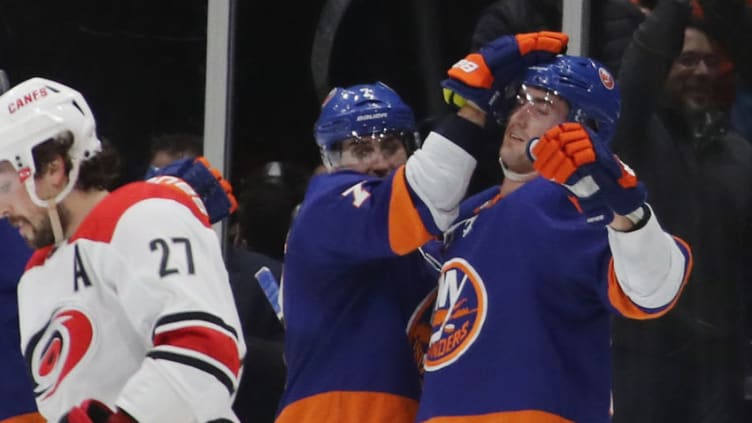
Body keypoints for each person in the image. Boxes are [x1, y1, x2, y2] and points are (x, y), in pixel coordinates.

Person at [276, 32, 573, 422]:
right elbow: (426, 195)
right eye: (360, 150)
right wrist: (471, 109)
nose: (379, 162)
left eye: (390, 146)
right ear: (330, 159)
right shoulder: (327, 207)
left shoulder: (428, 237)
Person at [412, 33, 693, 421]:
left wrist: (631, 215)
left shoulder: (577, 204)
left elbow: (653, 290)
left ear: (584, 127)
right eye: (520, 101)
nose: (520, 116)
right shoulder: (464, 212)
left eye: (542, 105)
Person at [0, 77, 245, 422]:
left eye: (4, 186)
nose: (1, 208)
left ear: (54, 168)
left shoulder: (142, 214)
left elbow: (205, 352)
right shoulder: (36, 278)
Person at [608, 1, 752, 421]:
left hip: (720, 367)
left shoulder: (741, 155)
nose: (702, 71)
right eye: (687, 60)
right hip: (642, 358)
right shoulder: (635, 136)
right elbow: (640, 66)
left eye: (712, 61)